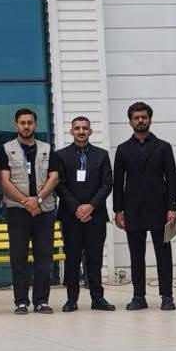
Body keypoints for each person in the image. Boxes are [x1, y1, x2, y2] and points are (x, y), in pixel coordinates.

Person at [113, 102, 176, 311]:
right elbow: (117, 182)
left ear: (150, 119)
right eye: (136, 117)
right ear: (130, 121)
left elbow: (172, 179)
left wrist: (172, 207)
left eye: (144, 117)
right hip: (133, 210)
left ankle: (167, 296)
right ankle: (138, 296)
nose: (140, 120)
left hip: (160, 209)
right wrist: (118, 210)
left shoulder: (163, 147)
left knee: (163, 255)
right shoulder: (123, 149)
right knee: (136, 256)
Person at [49, 116, 113, 312]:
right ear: (71, 131)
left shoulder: (102, 155)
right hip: (71, 216)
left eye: (85, 128)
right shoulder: (60, 156)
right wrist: (78, 208)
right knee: (72, 259)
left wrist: (90, 206)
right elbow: (59, 185)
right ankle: (71, 299)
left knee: (95, 259)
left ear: (90, 131)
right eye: (77, 128)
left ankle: (98, 299)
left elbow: (107, 184)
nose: (81, 131)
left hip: (96, 216)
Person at [0, 108, 58, 314]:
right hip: (18, 210)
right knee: (18, 257)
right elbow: (4, 181)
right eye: (22, 123)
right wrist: (26, 202)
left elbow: (54, 177)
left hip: (44, 210)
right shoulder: (6, 149)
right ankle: (21, 302)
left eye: (30, 123)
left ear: (35, 125)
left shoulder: (47, 149)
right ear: (16, 125)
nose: (26, 126)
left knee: (44, 257)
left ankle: (41, 301)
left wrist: (38, 200)